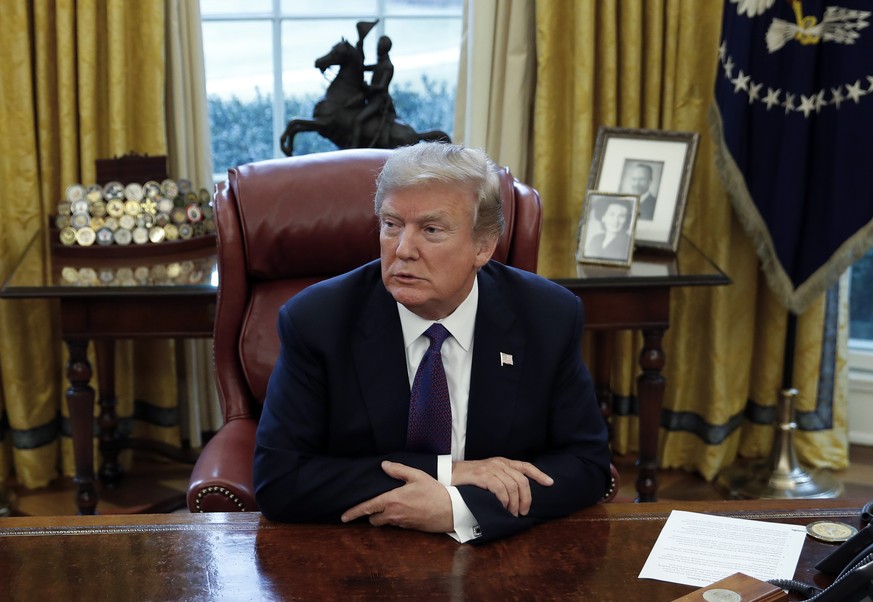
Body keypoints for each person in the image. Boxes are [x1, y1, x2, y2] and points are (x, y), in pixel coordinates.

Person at [254, 142, 611, 544]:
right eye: (391, 225)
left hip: (498, 553)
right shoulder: (319, 320)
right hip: (358, 551)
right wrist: (450, 472)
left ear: (483, 246)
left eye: (431, 230)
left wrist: (459, 507)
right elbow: (280, 480)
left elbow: (587, 465)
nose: (403, 250)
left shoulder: (547, 316)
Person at [350, 35, 395, 148]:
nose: (377, 49)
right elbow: (362, 67)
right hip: (371, 97)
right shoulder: (380, 64)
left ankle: (353, 149)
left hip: (379, 100)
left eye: (379, 47)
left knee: (358, 120)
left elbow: (382, 86)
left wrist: (368, 87)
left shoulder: (388, 66)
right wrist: (360, 47)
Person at [584, 196, 634, 261]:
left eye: (621, 216)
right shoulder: (596, 239)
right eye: (611, 215)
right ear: (603, 217)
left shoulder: (628, 242)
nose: (615, 221)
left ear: (626, 220)